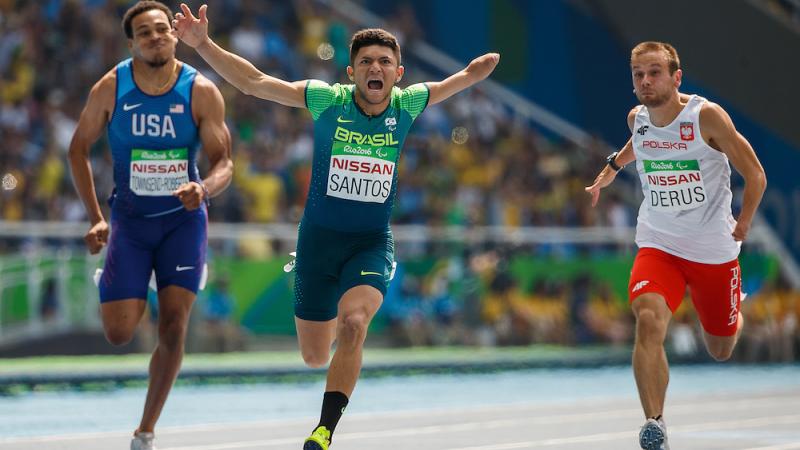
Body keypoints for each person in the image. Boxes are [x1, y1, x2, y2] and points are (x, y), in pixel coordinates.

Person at [172, 4, 499, 449]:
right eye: (366, 61)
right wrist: (203, 44)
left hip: (370, 243)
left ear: (398, 72)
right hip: (317, 244)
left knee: (355, 324)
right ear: (351, 72)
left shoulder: (407, 104)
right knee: (312, 355)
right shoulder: (327, 100)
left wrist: (472, 75)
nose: (375, 67)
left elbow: (447, 86)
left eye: (384, 61)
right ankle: (321, 347)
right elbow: (255, 83)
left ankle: (323, 430)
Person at [585, 41, 767, 450]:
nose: (645, 82)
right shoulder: (637, 118)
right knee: (647, 320)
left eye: (654, 73)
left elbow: (755, 175)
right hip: (659, 243)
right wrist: (611, 170)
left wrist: (744, 222)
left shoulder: (707, 117)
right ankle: (655, 424)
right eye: (638, 75)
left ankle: (735, 304)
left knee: (720, 349)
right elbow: (642, 142)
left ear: (676, 77)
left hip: (713, 251)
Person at [67, 2, 233, 449]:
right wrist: (97, 218)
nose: (156, 36)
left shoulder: (200, 91)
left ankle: (145, 431)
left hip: (183, 223)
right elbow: (77, 149)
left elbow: (224, 164)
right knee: (119, 332)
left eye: (162, 29)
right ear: (132, 43)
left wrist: (205, 190)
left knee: (174, 326)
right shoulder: (112, 87)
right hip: (131, 223)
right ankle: (124, 278)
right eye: (145, 32)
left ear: (175, 35)